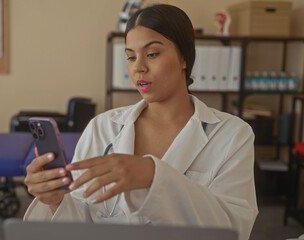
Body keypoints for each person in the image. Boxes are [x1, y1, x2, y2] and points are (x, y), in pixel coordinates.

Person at [24, 4, 258, 240]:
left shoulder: (232, 135)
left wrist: (155, 177)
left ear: (184, 58)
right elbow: (82, 222)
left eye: (152, 54)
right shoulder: (102, 128)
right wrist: (56, 200)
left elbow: (234, 230)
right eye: (131, 57)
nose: (138, 67)